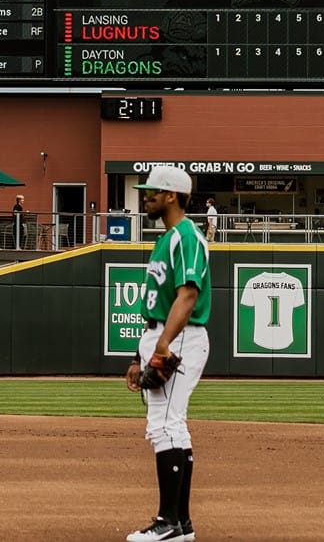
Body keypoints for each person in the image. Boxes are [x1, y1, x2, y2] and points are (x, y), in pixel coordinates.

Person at [122, 164, 209, 542]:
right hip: (164, 334)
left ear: (171, 195)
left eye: (152, 191)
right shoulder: (166, 238)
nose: (147, 196)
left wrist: (163, 344)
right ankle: (181, 524)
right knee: (173, 425)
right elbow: (157, 302)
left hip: (181, 336)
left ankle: (167, 523)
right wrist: (138, 355)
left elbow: (187, 294)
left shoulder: (187, 236)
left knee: (165, 426)